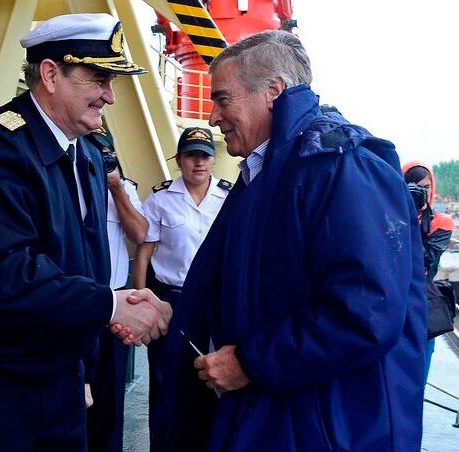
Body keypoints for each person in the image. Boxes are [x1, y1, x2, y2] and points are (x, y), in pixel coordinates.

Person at [0, 13, 171, 451]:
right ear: (50, 74)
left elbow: (82, 267)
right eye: (98, 78)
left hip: (54, 381)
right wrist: (111, 306)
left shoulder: (86, 155)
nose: (109, 96)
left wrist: (80, 366)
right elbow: (3, 276)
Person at [175, 30, 426, 451]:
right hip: (281, 416)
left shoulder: (341, 166)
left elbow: (363, 312)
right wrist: (174, 311)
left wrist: (250, 363)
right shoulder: (268, 172)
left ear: (273, 92)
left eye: (222, 99)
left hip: (328, 426)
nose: (213, 117)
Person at [131, 126, 227, 451]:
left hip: (215, 304)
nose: (198, 163)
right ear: (179, 160)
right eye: (191, 156)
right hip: (172, 302)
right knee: (166, 381)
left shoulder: (228, 198)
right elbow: (145, 253)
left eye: (204, 156)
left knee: (211, 381)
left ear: (213, 161)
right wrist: (141, 304)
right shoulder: (160, 199)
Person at [85, 125, 147, 452]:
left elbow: (139, 233)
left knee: (110, 399)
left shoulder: (123, 188)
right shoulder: (69, 185)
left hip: (113, 309)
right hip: (77, 307)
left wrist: (116, 188)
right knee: (73, 397)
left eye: (107, 155)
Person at [403, 160, 455, 380]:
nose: (421, 192)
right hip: (389, 298)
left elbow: (425, 258)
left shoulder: (441, 222)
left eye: (425, 187)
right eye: (413, 187)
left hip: (419, 301)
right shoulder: (390, 215)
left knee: (418, 373)